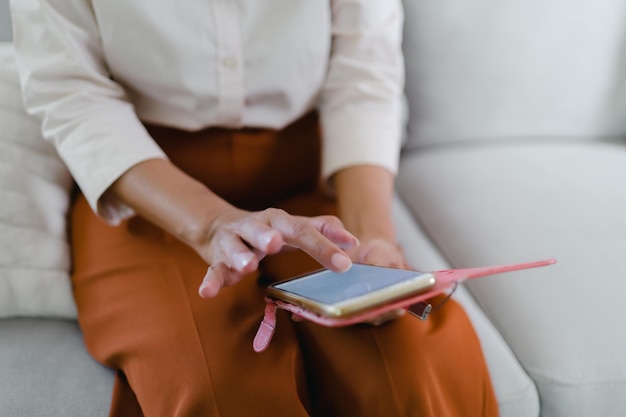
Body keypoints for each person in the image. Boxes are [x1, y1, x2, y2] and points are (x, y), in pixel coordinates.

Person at [10, 1, 498, 416]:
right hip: (149, 194)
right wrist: (209, 223)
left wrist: (375, 237)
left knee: (413, 363)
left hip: (314, 178)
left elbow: (365, 73)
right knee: (214, 380)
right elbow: (70, 93)